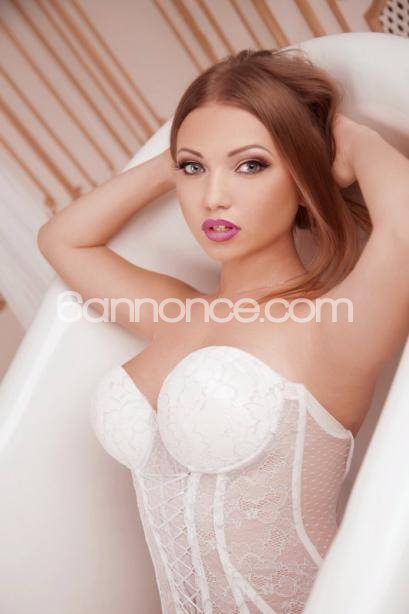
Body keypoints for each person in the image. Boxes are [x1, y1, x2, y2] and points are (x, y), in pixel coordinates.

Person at [37, 48, 409, 613]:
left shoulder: (330, 326)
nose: (213, 197)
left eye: (251, 165)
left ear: (302, 179)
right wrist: (179, 156)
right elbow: (63, 240)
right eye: (194, 170)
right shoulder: (175, 314)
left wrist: (350, 142)